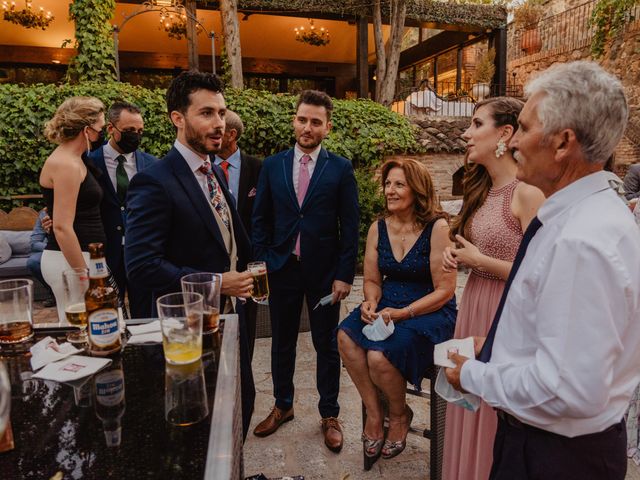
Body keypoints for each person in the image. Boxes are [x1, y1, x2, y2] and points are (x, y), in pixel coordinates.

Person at [445, 61, 640, 480]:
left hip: (553, 457)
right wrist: (500, 345)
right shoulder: (589, 213)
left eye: (526, 128)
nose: (515, 142)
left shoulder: (581, 241)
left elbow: (566, 391)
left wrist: (475, 376)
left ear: (563, 143)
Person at [124, 71, 256, 439]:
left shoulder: (211, 170)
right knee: (202, 429)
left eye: (222, 113)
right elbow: (141, 266)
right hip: (188, 334)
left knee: (240, 407)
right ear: (178, 119)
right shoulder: (154, 181)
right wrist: (218, 283)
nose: (219, 124)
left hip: (232, 321)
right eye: (207, 113)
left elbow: (228, 239)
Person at [441, 97, 544, 480]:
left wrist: (479, 261)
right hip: (474, 305)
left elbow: (538, 273)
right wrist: (460, 256)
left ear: (504, 134)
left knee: (492, 412)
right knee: (468, 402)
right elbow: (480, 250)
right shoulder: (482, 190)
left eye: (476, 124)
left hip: (505, 313)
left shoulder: (527, 193)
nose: (466, 133)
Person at [251, 90, 359, 452]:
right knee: (281, 343)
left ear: (327, 127)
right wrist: (263, 260)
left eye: (315, 121)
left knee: (326, 344)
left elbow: (350, 226)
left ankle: (329, 413)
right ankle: (283, 406)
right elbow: (260, 219)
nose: (307, 127)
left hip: (325, 273)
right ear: (294, 120)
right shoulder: (272, 165)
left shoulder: (341, 168)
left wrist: (345, 275)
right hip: (281, 269)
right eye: (302, 119)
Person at [337, 158, 457, 461]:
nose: (390, 190)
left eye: (399, 184)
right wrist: (370, 302)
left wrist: (405, 313)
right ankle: (376, 414)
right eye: (388, 183)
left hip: (429, 309)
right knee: (345, 336)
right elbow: (373, 279)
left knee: (379, 355)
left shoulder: (437, 227)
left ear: (417, 189)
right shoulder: (379, 227)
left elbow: (445, 290)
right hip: (388, 303)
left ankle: (400, 414)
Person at [39, 96, 108, 323]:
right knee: (77, 326)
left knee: (94, 324)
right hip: (69, 260)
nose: (102, 134)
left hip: (82, 256)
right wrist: (82, 273)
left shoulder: (75, 159)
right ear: (87, 130)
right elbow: (61, 226)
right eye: (100, 128)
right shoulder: (66, 164)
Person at [89, 101, 157, 319]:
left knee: (145, 316)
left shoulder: (152, 164)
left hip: (142, 252)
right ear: (111, 128)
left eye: (139, 131)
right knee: (109, 314)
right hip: (106, 252)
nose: (135, 136)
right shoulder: (89, 162)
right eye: (129, 131)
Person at [214, 109, 262, 359]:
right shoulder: (204, 168)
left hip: (248, 264)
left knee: (246, 331)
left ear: (231, 135)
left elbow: (265, 216)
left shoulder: (257, 168)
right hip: (212, 264)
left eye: (219, 129)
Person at [26, 208, 56, 308]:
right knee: (33, 262)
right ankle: (54, 293)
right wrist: (54, 248)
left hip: (78, 248)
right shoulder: (45, 213)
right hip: (53, 250)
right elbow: (34, 243)